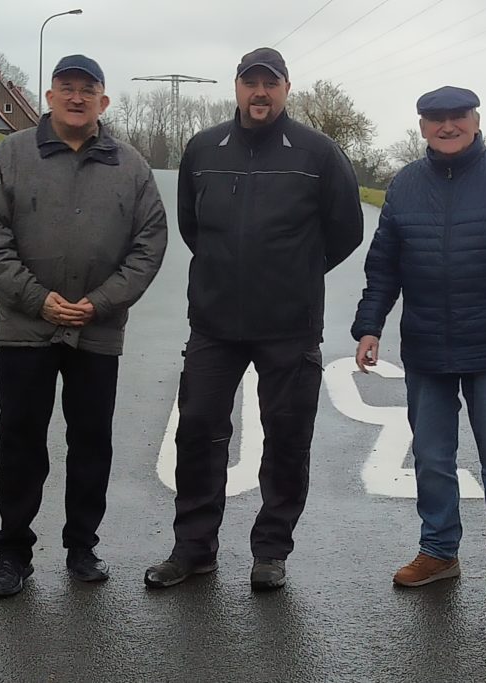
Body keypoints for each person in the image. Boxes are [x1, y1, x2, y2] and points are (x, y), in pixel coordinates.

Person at [144, 47, 364, 591]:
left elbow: (347, 230)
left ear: (287, 88)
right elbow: (194, 228)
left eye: (270, 83)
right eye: (250, 82)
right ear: (236, 88)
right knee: (197, 433)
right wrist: (229, 270)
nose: (259, 92)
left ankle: (271, 551)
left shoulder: (319, 153)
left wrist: (294, 270)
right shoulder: (202, 149)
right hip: (214, 324)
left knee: (287, 437)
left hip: (289, 325)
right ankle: (193, 549)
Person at [351, 86, 486, 603]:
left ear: (475, 120)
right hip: (426, 347)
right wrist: (370, 327)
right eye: (436, 118)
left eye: (458, 117)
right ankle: (439, 552)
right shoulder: (404, 186)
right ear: (422, 126)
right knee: (431, 456)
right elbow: (384, 268)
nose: (448, 126)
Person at [0, 55, 167, 598]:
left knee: (91, 443)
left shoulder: (131, 167)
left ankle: (82, 546)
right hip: (24, 330)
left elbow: (149, 244)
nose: (77, 97)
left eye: (88, 89)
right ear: (50, 96)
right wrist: (38, 300)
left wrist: (100, 303)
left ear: (104, 101)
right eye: (67, 88)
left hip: (97, 332)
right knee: (20, 442)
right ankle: (13, 552)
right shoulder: (10, 156)